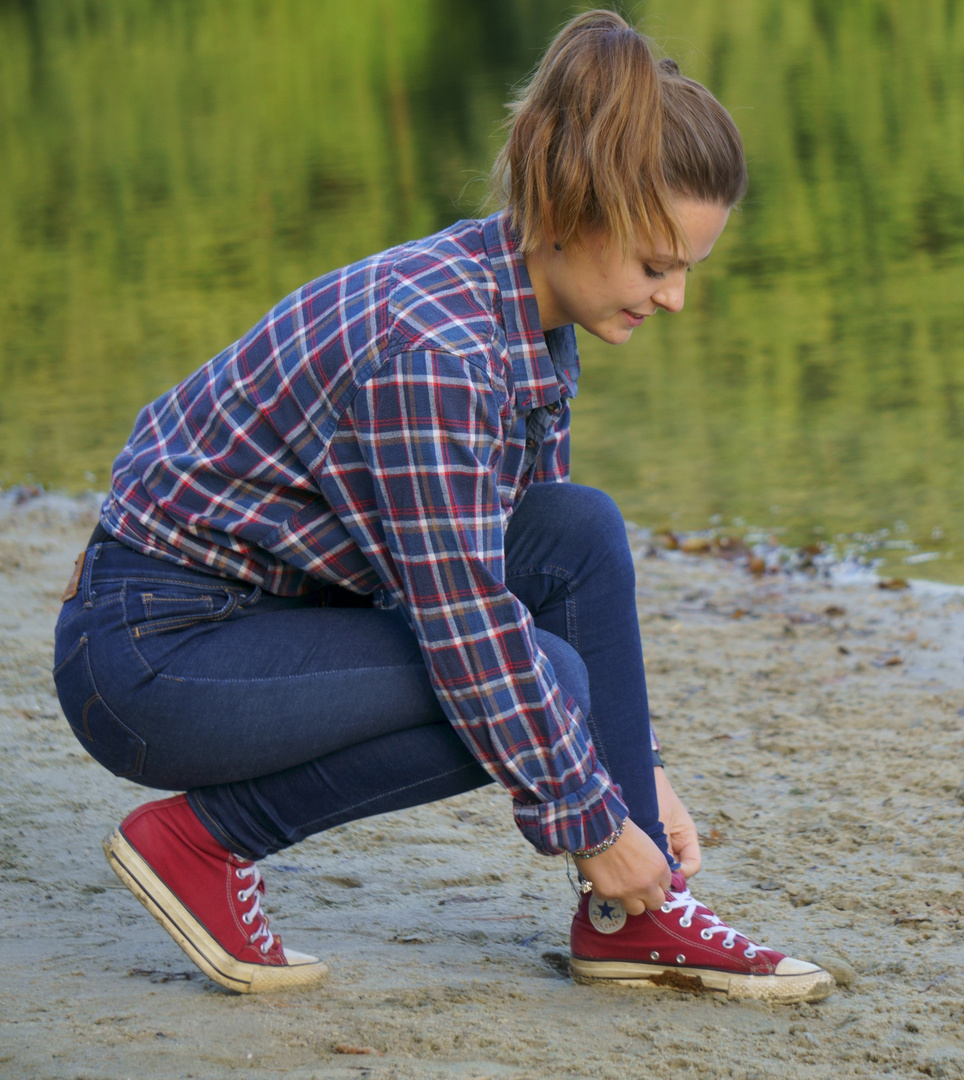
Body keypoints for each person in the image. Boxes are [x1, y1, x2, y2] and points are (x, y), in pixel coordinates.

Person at [51, 10, 833, 1004]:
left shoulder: (522, 315)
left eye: (687, 269)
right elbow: (469, 631)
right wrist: (595, 825)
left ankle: (633, 924)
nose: (674, 298)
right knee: (533, 676)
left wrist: (640, 778)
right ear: (573, 208)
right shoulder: (442, 353)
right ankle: (201, 844)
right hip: (152, 655)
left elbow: (540, 569)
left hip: (258, 618)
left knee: (577, 529)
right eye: (655, 264)